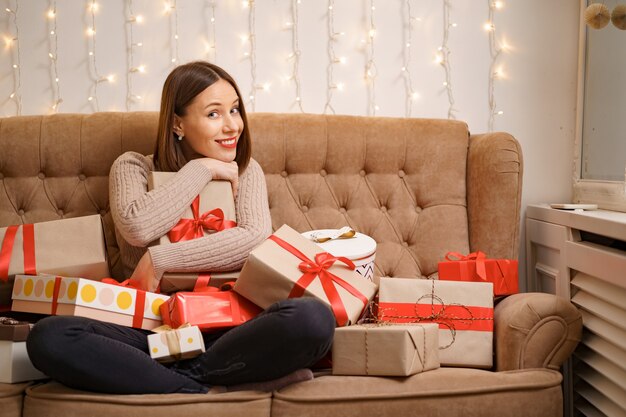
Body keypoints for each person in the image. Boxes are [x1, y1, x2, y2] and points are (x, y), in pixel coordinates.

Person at [26, 61, 335, 395]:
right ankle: (210, 385)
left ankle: (182, 378)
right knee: (49, 336)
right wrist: (201, 169)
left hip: (226, 327)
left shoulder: (245, 170)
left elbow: (254, 239)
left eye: (234, 110)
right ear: (178, 123)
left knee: (312, 318)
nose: (232, 125)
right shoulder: (133, 167)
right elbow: (137, 227)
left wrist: (161, 260)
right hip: (147, 327)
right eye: (214, 114)